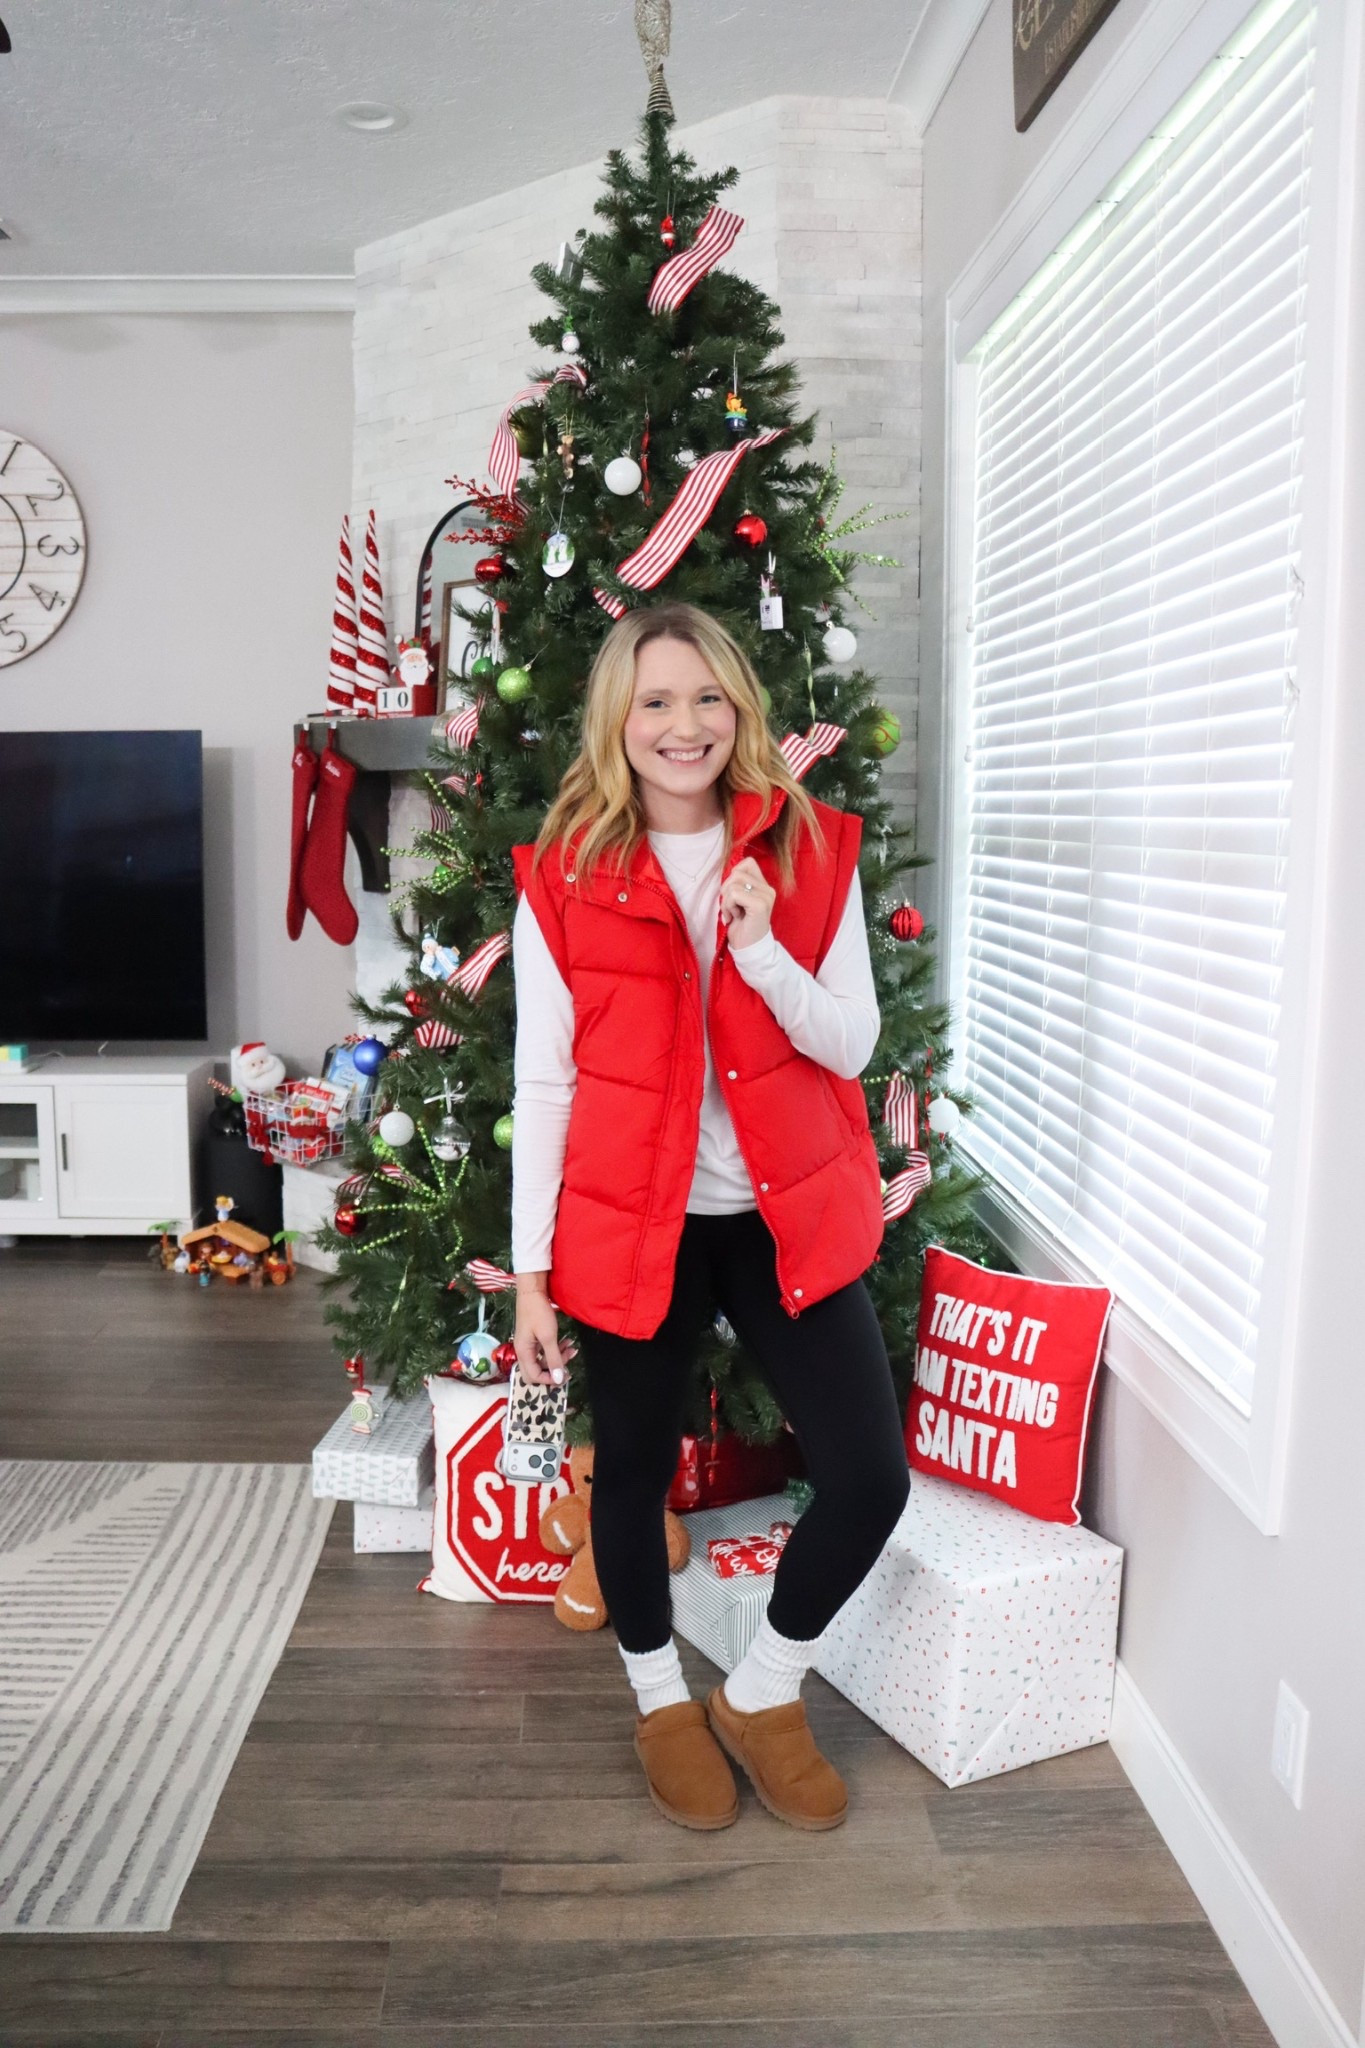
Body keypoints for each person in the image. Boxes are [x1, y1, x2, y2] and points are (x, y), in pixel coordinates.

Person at [509, 602, 910, 1833]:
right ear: (618, 722)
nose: (684, 725)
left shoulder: (809, 851)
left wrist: (761, 952)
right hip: (639, 1223)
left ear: (740, 711)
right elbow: (546, 1079)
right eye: (656, 702)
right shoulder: (566, 873)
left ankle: (763, 1691)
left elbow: (853, 1041)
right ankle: (659, 1703)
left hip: (779, 1215)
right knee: (629, 1474)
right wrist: (531, 1273)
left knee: (869, 1476)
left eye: (707, 699)